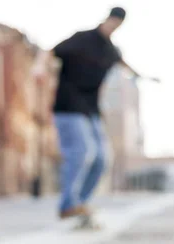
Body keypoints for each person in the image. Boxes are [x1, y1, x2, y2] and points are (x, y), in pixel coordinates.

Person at [33, 7, 141, 226]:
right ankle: (67, 204)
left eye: (117, 25)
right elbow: (49, 51)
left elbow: (123, 64)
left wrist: (141, 75)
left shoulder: (111, 50)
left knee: (102, 158)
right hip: (69, 106)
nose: (113, 28)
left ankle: (79, 203)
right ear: (107, 20)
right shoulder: (82, 39)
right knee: (81, 151)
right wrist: (38, 67)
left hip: (91, 110)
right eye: (112, 23)